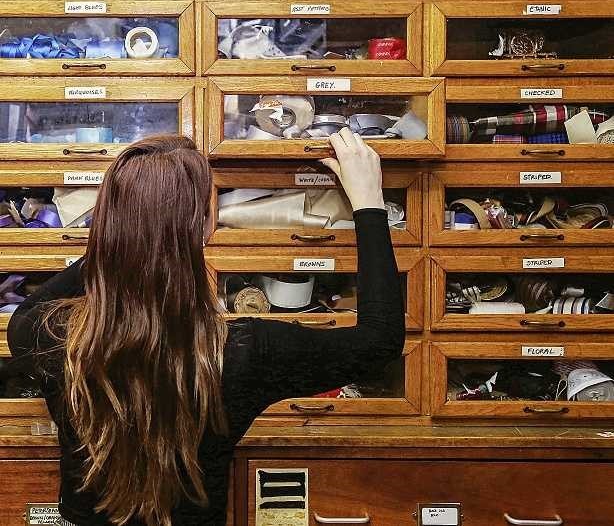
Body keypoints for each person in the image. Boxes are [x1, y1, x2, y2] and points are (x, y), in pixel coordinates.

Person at [8, 129, 405, 526]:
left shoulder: (47, 336)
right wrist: (369, 204)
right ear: (202, 227)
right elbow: (379, 341)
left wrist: (128, 232)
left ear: (108, 222)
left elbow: (28, 311)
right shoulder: (244, 354)